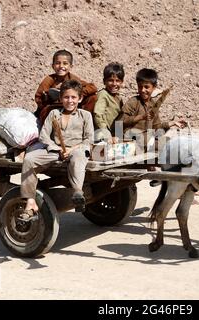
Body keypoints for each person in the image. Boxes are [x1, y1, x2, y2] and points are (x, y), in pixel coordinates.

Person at [20, 80, 94, 221]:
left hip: (77, 149)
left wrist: (72, 149)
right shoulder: (54, 113)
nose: (70, 101)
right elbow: (44, 136)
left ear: (80, 98)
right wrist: (57, 148)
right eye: (66, 97)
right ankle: (30, 201)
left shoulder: (85, 115)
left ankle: (77, 192)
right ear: (60, 98)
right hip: (56, 151)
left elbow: (89, 140)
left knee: (78, 157)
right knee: (29, 159)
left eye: (73, 97)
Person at [121, 68, 186, 152]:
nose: (143, 90)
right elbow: (122, 121)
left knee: (168, 141)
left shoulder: (153, 105)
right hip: (132, 138)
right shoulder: (133, 102)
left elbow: (157, 128)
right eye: (140, 87)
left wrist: (172, 123)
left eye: (146, 87)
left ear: (154, 87)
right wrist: (141, 117)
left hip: (147, 139)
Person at [34, 49, 97, 125]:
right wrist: (49, 98)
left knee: (93, 97)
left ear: (70, 66)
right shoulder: (49, 79)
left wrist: (78, 93)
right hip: (53, 108)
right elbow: (38, 96)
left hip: (70, 106)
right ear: (53, 66)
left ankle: (82, 122)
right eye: (57, 63)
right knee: (47, 111)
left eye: (65, 63)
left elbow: (92, 87)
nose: (61, 66)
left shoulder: (72, 78)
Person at [93, 62, 125, 142]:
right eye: (110, 80)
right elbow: (98, 115)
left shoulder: (118, 97)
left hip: (114, 135)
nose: (114, 84)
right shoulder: (103, 94)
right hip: (103, 135)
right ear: (104, 81)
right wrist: (106, 133)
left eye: (117, 81)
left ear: (121, 82)